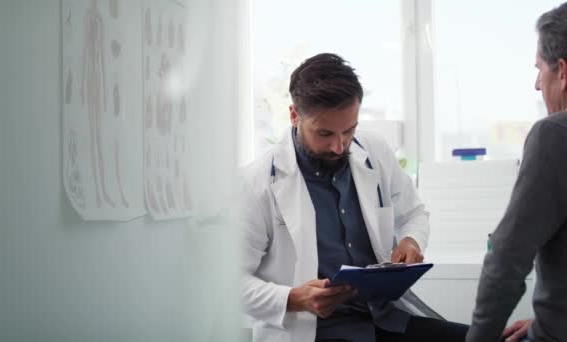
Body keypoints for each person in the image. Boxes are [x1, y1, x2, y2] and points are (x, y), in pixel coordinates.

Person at [241, 53, 468, 342]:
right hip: (313, 331)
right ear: (294, 115)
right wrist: (295, 298)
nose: (339, 146)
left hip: (386, 320)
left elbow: (414, 214)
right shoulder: (256, 183)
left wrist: (411, 240)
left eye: (349, 130)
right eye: (325, 133)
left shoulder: (374, 151)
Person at [466, 3, 567, 341]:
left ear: (563, 71)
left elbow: (507, 259)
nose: (538, 84)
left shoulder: (554, 135)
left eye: (540, 69)